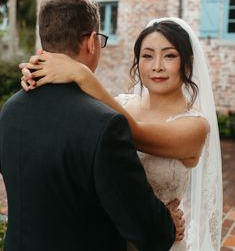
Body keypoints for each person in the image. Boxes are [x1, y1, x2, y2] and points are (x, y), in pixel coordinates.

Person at [0, 0, 185, 251]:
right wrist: (167, 224)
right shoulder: (104, 125)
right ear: (91, 42)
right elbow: (146, 231)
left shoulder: (11, 109)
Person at [20, 16, 223, 251]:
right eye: (147, 56)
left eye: (169, 55)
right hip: (107, 238)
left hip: (157, 240)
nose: (157, 65)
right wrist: (39, 74)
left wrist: (82, 74)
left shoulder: (195, 126)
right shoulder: (120, 104)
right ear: (137, 62)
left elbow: (133, 132)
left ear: (187, 64)